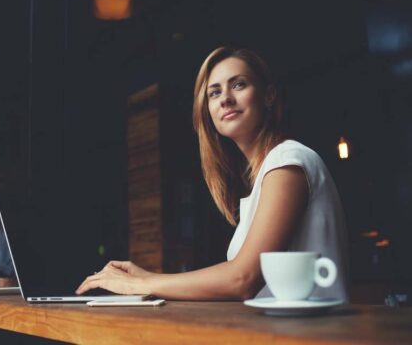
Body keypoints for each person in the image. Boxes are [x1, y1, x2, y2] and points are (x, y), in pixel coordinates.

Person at [76, 47, 349, 301]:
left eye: (239, 84)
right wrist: (147, 278)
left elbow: (243, 278)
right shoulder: (266, 175)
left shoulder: (288, 160)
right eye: (214, 93)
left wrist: (145, 283)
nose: (226, 99)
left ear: (269, 96)